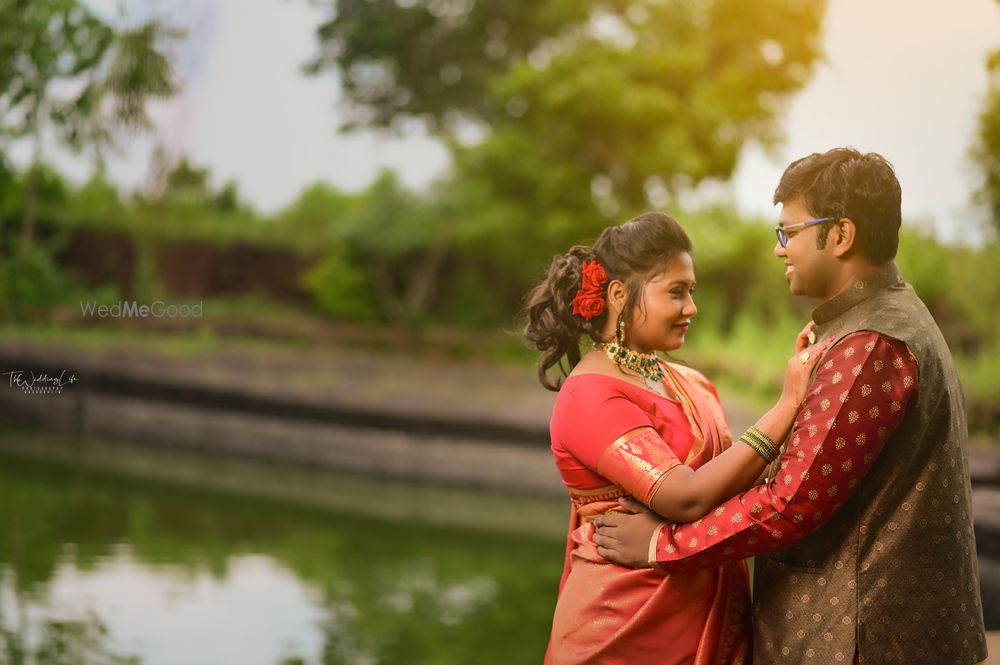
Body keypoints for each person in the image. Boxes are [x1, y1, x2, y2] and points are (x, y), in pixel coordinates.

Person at [593, 149, 988, 664]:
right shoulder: (885, 318)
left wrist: (662, 546)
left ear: (841, 235)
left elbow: (790, 502)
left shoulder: (870, 344)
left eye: (789, 233)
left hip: (863, 637)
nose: (781, 250)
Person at [522, 211, 828, 665]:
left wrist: (807, 391)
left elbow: (732, 482)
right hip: (624, 629)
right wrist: (785, 407)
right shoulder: (590, 395)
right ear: (619, 294)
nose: (691, 308)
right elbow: (683, 498)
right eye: (676, 292)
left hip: (705, 611)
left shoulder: (690, 382)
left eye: (692, 291)